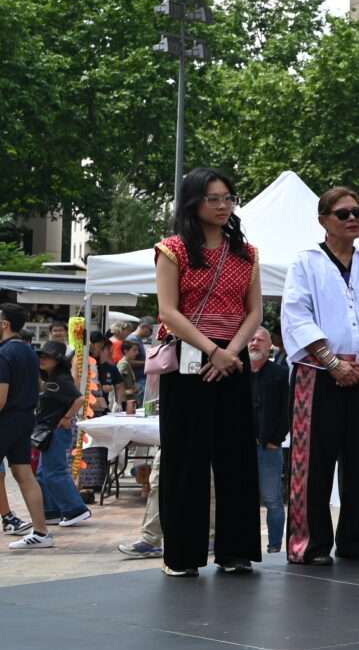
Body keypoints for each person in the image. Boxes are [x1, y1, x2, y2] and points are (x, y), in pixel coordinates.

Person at [149, 169, 265, 575]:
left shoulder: (246, 253)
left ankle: (235, 551)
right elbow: (168, 312)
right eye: (213, 198)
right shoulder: (172, 250)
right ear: (193, 202)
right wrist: (211, 350)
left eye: (228, 198)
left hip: (233, 359)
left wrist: (230, 353)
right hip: (187, 361)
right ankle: (182, 555)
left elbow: (255, 312)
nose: (222, 206)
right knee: (185, 459)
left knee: (236, 457)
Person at [282, 186, 359, 565]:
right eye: (343, 213)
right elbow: (296, 314)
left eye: (358, 212)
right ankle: (310, 544)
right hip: (318, 374)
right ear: (324, 221)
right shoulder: (305, 263)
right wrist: (332, 361)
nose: (353, 219)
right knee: (313, 463)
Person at [22, 343, 88, 542]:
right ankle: (51, 510)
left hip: (56, 431)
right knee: (43, 472)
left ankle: (75, 509)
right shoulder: (52, 378)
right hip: (49, 431)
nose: (42, 359)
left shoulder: (60, 379)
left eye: (47, 357)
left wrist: (67, 418)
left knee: (54, 472)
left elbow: (79, 399)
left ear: (58, 360)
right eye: (41, 356)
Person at [0, 304, 52, 544]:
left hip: (6, 418)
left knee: (22, 473)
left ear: (5, 324)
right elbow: (39, 386)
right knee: (23, 473)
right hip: (25, 417)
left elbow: (0, 397)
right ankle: (41, 532)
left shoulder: (4, 354)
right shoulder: (29, 352)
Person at [249, 328, 291, 554]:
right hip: (242, 447)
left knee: (273, 500)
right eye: (251, 339)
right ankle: (245, 544)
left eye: (260, 340)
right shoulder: (239, 371)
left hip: (268, 447)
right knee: (243, 498)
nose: (254, 343)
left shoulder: (280, 373)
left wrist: (276, 439)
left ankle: (274, 546)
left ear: (269, 347)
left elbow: (287, 409)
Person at [87, 333, 124, 415]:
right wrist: (101, 388)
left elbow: (119, 385)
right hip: (88, 406)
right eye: (108, 350)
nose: (111, 353)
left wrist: (118, 403)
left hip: (103, 407)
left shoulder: (111, 367)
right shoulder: (88, 364)